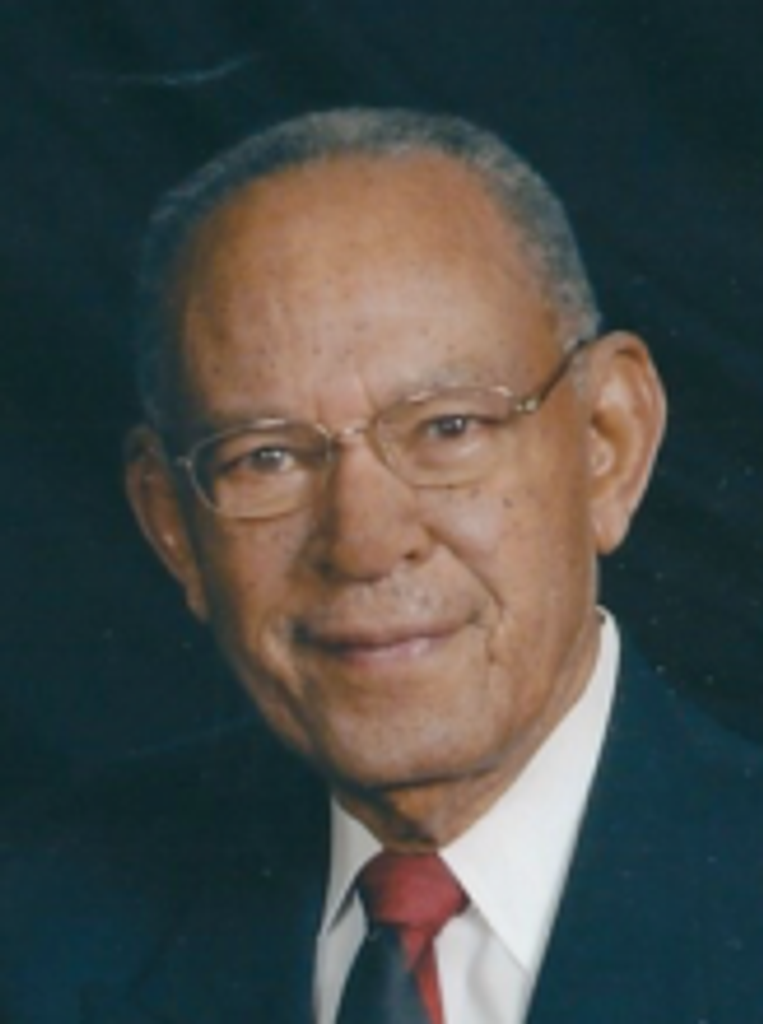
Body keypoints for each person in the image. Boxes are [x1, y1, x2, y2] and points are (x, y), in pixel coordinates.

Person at [2, 108, 762, 1024]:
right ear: (172, 524)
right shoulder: (37, 930)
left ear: (608, 442)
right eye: (265, 457)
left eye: (448, 427)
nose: (363, 543)